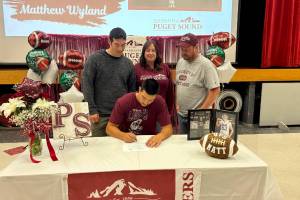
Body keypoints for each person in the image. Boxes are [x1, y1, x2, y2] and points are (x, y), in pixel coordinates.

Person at [82, 27, 136, 137]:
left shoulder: (128, 64)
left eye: (123, 45)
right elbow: (87, 85)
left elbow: (132, 92)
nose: (120, 48)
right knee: (98, 149)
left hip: (121, 116)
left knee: (120, 150)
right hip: (99, 116)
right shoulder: (95, 59)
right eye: (117, 44)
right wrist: (92, 110)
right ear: (109, 41)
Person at [106, 79, 173, 147]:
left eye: (151, 100)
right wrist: (122, 135)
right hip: (127, 142)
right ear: (140, 89)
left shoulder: (159, 102)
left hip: (148, 141)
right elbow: (109, 128)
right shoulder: (123, 101)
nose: (146, 102)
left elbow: (168, 128)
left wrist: (160, 136)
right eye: (144, 97)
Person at [176, 33, 220, 134]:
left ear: (196, 47)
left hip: (199, 117)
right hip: (181, 115)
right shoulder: (181, 62)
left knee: (197, 146)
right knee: (183, 146)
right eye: (181, 49)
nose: (183, 52)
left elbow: (215, 90)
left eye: (186, 49)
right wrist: (177, 103)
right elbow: (179, 85)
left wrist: (200, 112)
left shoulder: (206, 65)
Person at [134, 40, 176, 127]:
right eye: (148, 50)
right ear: (143, 52)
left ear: (157, 53)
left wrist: (170, 111)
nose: (150, 53)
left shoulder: (164, 67)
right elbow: (133, 92)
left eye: (153, 50)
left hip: (162, 112)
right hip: (143, 113)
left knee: (162, 138)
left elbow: (170, 92)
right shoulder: (136, 68)